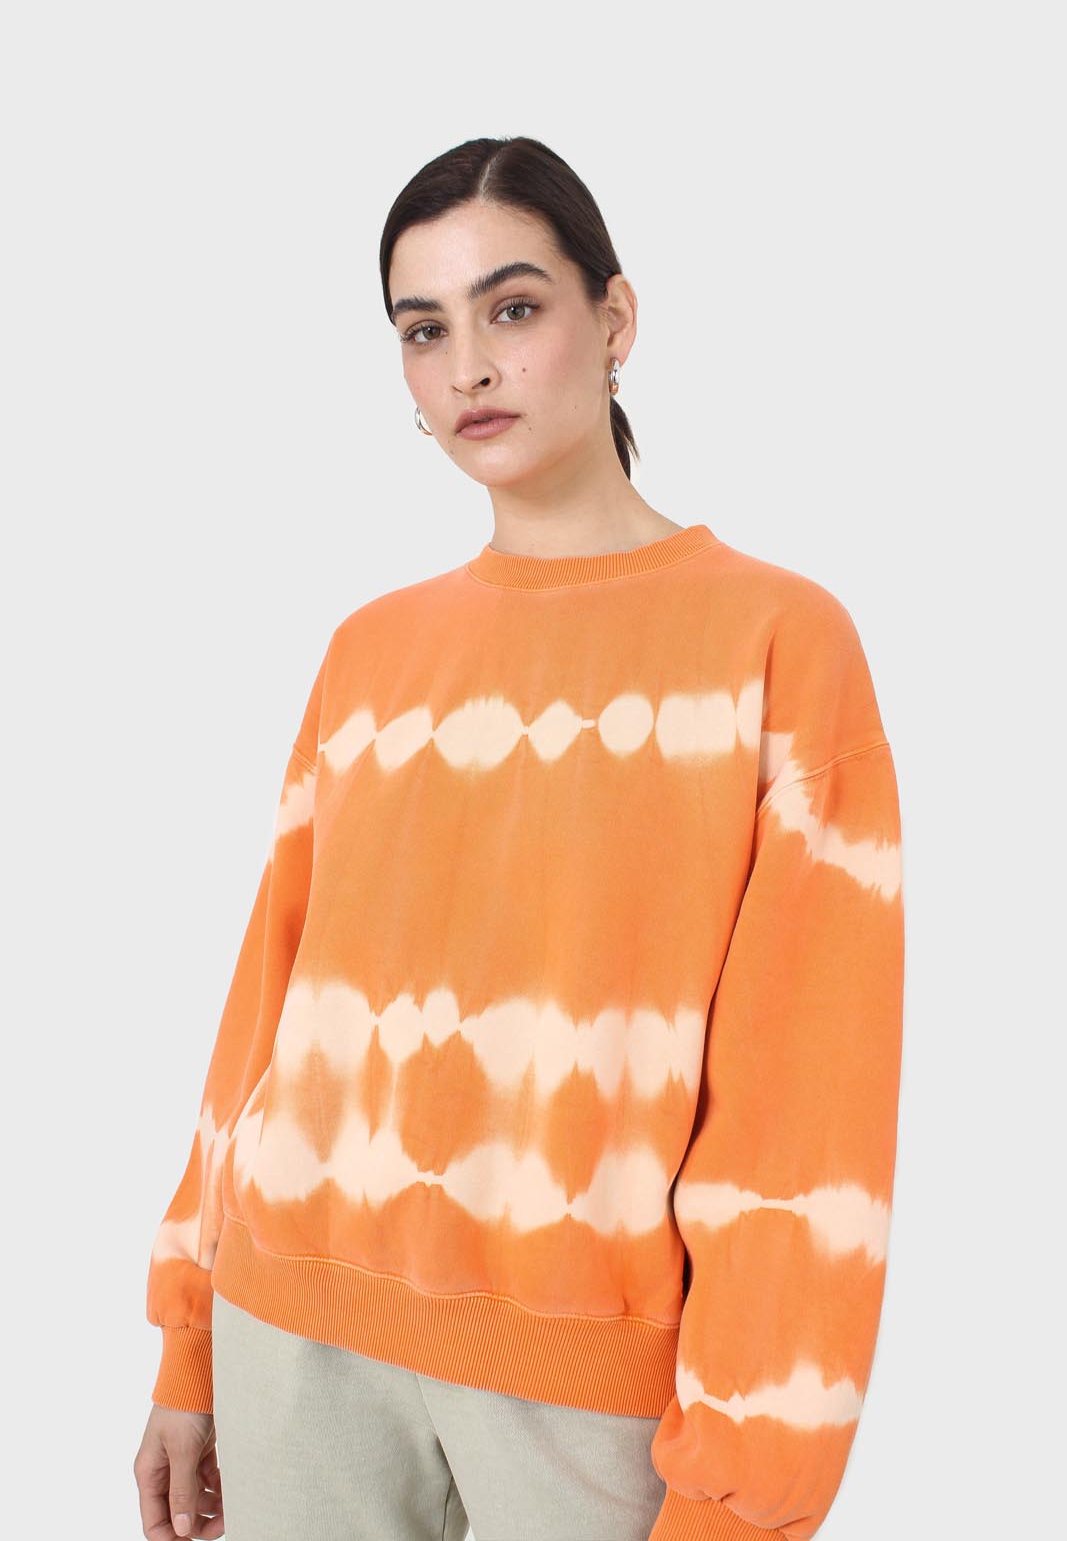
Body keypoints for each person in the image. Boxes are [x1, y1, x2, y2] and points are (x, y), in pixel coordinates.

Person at [133, 135, 905, 1541]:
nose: (470, 368)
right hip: (290, 1337)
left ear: (614, 320)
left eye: (514, 308)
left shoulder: (777, 641)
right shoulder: (370, 652)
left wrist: (745, 1494)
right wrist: (189, 1336)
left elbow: (809, 1107)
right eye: (424, 330)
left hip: (586, 1387)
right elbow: (266, 1012)